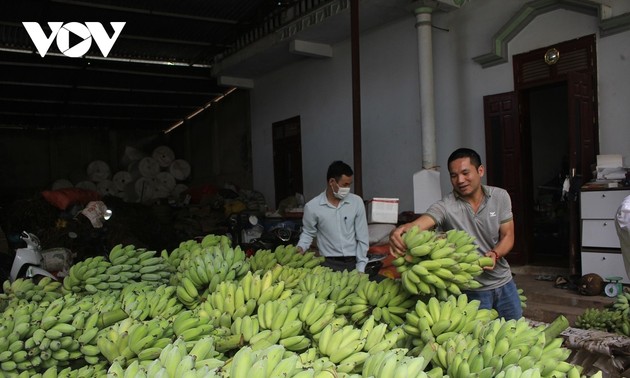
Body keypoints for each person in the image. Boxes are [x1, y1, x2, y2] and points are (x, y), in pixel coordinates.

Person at [389, 148, 522, 320]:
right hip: (470, 289)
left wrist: (496, 254)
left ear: (480, 171)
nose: (460, 180)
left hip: (504, 283)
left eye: (465, 173)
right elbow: (424, 221)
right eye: (453, 175)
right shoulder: (446, 206)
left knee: (516, 332)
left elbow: (508, 235)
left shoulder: (500, 197)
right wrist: (404, 229)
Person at [297, 161, 369, 273]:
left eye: (350, 184)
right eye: (345, 184)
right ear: (332, 182)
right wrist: (301, 247)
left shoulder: (357, 202)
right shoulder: (312, 207)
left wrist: (361, 267)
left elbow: (362, 237)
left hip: (352, 263)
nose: (348, 188)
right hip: (327, 264)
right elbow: (308, 233)